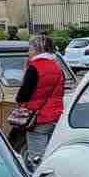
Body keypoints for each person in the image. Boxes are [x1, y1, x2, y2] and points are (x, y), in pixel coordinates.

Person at [14, 34, 65, 165]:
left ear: (37, 49)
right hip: (55, 117)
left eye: (30, 48)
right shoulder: (57, 67)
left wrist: (20, 101)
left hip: (38, 119)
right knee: (51, 155)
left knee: (37, 159)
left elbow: (23, 95)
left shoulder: (34, 67)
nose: (28, 52)